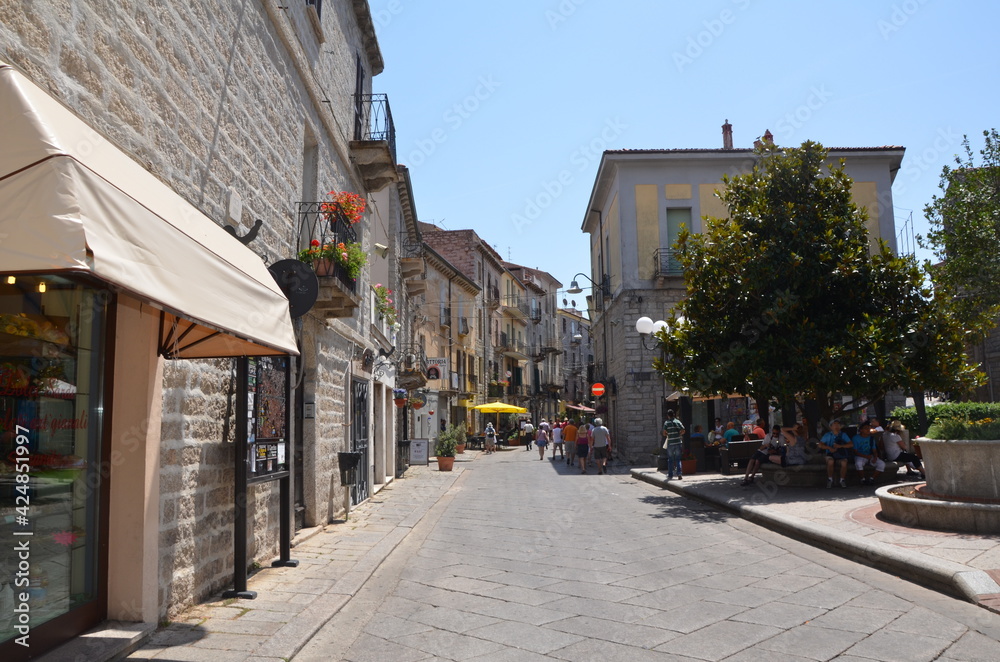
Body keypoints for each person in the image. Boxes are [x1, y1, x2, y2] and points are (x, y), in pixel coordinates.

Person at [818, 420, 853, 488]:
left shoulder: (843, 435)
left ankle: (842, 480)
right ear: (831, 427)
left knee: (844, 462)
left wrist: (841, 446)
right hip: (830, 454)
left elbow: (851, 444)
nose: (836, 426)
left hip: (841, 454)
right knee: (830, 461)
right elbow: (820, 445)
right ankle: (830, 479)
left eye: (838, 424)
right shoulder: (827, 435)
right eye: (834, 424)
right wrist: (829, 448)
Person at [852, 420, 885, 485]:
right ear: (861, 430)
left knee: (882, 464)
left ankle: (872, 479)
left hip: (870, 455)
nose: (868, 430)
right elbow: (855, 451)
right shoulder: (855, 438)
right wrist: (865, 456)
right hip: (860, 456)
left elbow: (874, 450)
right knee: (858, 464)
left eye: (869, 428)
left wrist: (875, 457)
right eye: (866, 428)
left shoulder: (871, 438)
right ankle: (862, 479)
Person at [661, 409, 686, 481]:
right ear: (674, 415)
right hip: (678, 442)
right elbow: (683, 430)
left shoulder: (666, 423)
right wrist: (679, 434)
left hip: (670, 443)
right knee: (678, 459)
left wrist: (667, 434)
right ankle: (679, 473)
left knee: (670, 459)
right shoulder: (677, 421)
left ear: (668, 416)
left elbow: (664, 433)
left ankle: (670, 474)